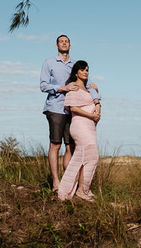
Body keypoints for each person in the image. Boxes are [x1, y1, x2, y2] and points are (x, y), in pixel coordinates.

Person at [39, 35, 99, 189]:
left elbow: (90, 85)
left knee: (70, 147)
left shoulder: (76, 65)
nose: (64, 43)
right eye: (61, 41)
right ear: (57, 45)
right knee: (55, 145)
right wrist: (63, 88)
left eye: (66, 41)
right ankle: (56, 182)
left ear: (70, 46)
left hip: (73, 112)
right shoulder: (49, 63)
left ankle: (68, 183)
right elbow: (43, 86)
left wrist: (97, 100)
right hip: (56, 108)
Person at [57, 59, 101, 202]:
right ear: (76, 72)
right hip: (80, 125)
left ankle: (82, 189)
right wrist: (91, 115)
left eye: (87, 70)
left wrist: (97, 95)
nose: (85, 72)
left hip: (90, 126)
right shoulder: (74, 88)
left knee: (85, 158)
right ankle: (81, 190)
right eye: (82, 69)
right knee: (92, 155)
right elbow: (73, 108)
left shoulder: (89, 90)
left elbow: (96, 102)